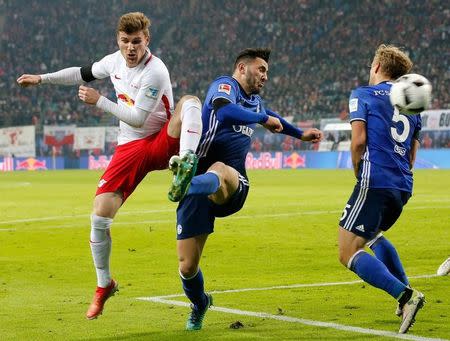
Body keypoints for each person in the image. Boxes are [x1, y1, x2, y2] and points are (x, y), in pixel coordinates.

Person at [17, 12, 203, 320]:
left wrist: (98, 101)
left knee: (191, 101)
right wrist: (43, 78)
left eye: (137, 42)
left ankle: (186, 160)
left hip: (161, 140)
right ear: (118, 41)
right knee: (99, 217)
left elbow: (139, 119)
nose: (131, 48)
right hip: (129, 147)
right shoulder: (113, 61)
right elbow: (81, 72)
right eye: (125, 41)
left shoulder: (155, 70)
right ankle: (105, 284)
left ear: (147, 41)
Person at [169, 48, 323, 330]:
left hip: (233, 183)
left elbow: (272, 116)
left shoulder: (256, 103)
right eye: (261, 69)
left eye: (267, 71)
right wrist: (263, 119)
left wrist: (299, 133)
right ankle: (201, 303)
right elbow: (226, 113)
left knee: (220, 169)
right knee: (187, 266)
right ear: (242, 68)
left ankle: (186, 184)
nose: (265, 75)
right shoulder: (224, 86)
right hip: (202, 192)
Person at [337, 44, 424, 334]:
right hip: (402, 186)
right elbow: (412, 156)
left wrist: (356, 170)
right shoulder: (412, 105)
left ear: (376, 67)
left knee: (348, 251)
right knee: (373, 235)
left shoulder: (363, 94)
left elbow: (359, 141)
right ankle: (405, 294)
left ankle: (406, 296)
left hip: (375, 179)